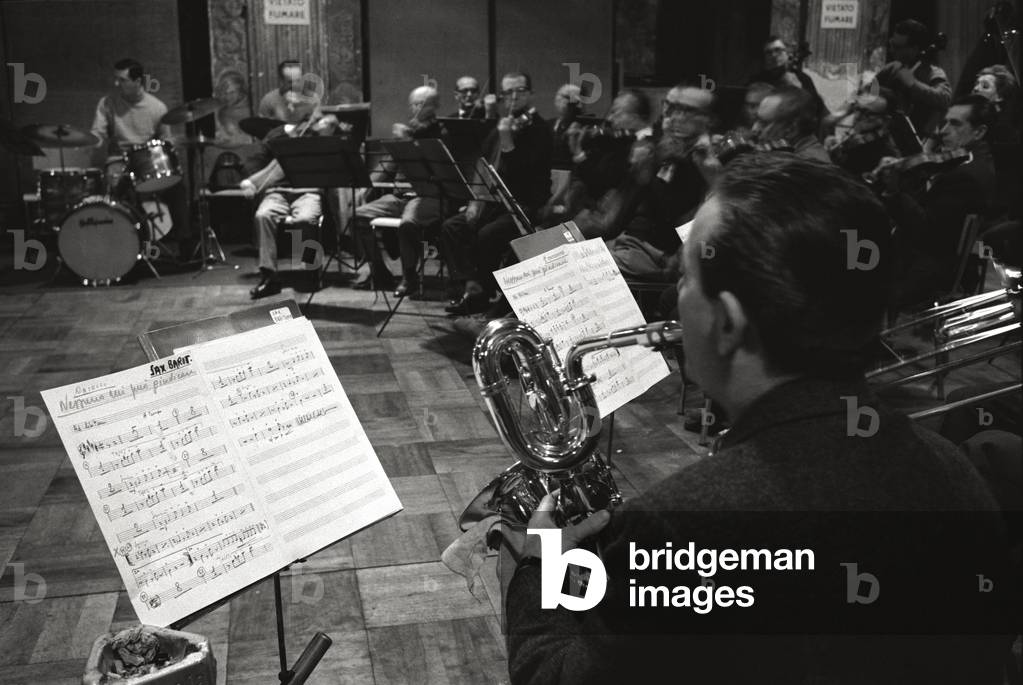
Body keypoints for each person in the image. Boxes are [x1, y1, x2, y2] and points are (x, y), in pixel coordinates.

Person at [501, 153, 1011, 684]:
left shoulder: (686, 526)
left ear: (726, 323)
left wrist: (544, 566)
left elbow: (556, 676)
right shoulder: (955, 472)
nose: (675, 301)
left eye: (686, 277)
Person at [443, 72, 552, 316]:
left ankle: (488, 292)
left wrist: (507, 140)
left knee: (487, 234)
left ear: (531, 94)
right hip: (494, 202)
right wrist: (474, 201)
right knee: (453, 226)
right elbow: (483, 164)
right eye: (508, 92)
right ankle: (473, 286)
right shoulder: (504, 124)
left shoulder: (539, 129)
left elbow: (523, 174)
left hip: (524, 205)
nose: (513, 97)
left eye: (520, 91)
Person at [881, 95, 998, 310]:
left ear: (979, 132)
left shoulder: (965, 176)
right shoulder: (971, 164)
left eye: (955, 124)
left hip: (916, 270)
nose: (943, 130)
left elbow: (925, 232)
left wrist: (893, 192)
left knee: (850, 250)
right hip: (923, 261)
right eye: (945, 122)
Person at [351, 85, 449, 296]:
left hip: (427, 196)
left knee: (408, 223)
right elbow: (387, 165)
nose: (415, 109)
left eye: (420, 104)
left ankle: (409, 277)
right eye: (412, 104)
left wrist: (411, 140)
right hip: (399, 197)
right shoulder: (408, 131)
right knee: (358, 216)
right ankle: (379, 271)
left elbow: (440, 166)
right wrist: (365, 186)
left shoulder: (441, 133)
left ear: (434, 106)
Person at [242, 111, 340, 299]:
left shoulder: (323, 142)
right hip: (278, 192)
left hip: (308, 192)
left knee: (306, 219)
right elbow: (270, 167)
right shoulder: (281, 136)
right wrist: (251, 182)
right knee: (263, 216)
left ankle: (311, 268)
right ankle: (269, 275)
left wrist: (326, 130)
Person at [874, 19, 952, 139]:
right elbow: (870, 89)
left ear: (914, 49)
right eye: (891, 44)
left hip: (916, 139)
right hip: (887, 135)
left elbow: (944, 98)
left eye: (897, 47)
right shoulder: (893, 68)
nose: (891, 50)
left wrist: (913, 84)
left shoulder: (933, 72)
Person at [748, 36, 824, 115]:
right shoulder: (756, 80)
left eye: (778, 50)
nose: (774, 55)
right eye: (768, 52)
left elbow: (816, 109)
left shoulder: (803, 79)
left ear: (787, 54)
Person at [752, 86, 830, 162]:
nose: (754, 128)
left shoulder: (807, 165)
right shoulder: (784, 154)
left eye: (764, 123)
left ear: (791, 129)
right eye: (756, 119)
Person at [258, 60, 321, 125]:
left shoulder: (312, 97)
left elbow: (318, 123)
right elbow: (262, 127)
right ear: (281, 80)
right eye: (290, 82)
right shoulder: (268, 100)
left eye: (298, 80)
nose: (294, 85)